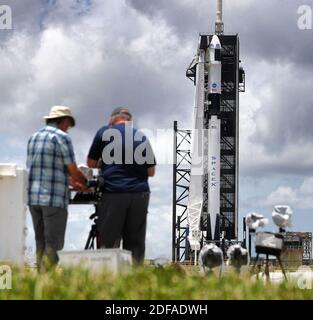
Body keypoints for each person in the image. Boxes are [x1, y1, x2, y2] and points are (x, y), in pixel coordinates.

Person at [87, 107, 156, 264]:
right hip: (140, 194)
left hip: (113, 192)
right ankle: (135, 281)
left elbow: (90, 163)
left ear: (112, 120)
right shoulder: (141, 136)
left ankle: (109, 278)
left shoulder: (104, 132)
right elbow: (151, 172)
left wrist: (102, 162)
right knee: (136, 242)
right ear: (130, 122)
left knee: (109, 241)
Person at [27, 105, 87, 271]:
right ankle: (50, 284)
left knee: (41, 243)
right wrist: (85, 183)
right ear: (65, 121)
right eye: (69, 125)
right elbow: (73, 168)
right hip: (53, 200)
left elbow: (46, 169)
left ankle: (40, 283)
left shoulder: (33, 137)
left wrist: (68, 180)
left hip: (33, 198)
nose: (68, 129)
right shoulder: (62, 137)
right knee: (54, 244)